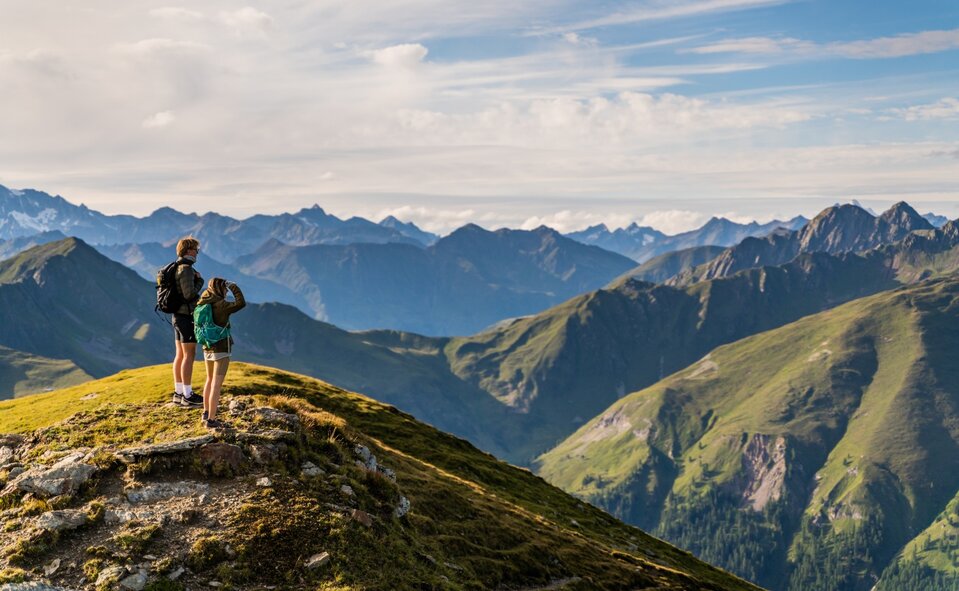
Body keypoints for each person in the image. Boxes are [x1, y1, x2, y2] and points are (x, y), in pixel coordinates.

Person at [196, 277, 246, 429]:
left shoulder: (202, 302)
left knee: (209, 380)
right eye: (224, 289)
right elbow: (241, 303)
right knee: (216, 385)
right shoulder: (221, 305)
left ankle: (206, 413)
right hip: (221, 348)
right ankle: (211, 421)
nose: (226, 291)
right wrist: (233, 286)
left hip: (207, 346)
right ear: (220, 289)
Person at [171, 237, 204, 407]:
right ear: (189, 250)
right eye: (196, 250)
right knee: (189, 355)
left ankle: (178, 393)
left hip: (177, 316)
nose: (197, 253)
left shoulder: (175, 267)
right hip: (186, 316)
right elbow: (189, 295)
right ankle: (188, 395)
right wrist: (200, 282)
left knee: (180, 355)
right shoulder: (186, 269)